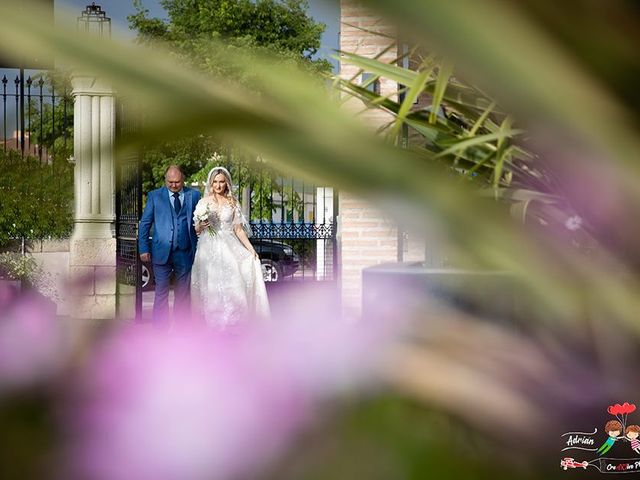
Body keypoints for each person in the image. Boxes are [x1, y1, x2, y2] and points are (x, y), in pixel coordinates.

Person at [191, 166, 269, 327]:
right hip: (208, 248)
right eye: (215, 182)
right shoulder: (203, 202)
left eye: (222, 182)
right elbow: (197, 229)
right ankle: (213, 321)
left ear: (227, 183)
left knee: (231, 283)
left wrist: (251, 250)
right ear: (211, 184)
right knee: (211, 284)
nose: (218, 186)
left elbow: (238, 230)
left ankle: (231, 321)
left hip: (228, 245)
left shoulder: (233, 203)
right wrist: (203, 224)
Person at [138, 165, 201, 325]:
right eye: (170, 182)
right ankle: (160, 328)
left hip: (185, 251)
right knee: (161, 291)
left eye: (177, 182)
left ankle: (181, 328)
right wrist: (144, 248)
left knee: (183, 293)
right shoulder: (154, 196)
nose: (174, 185)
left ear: (183, 180)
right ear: (165, 180)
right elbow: (145, 223)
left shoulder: (194, 195)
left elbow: (198, 223)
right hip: (161, 251)